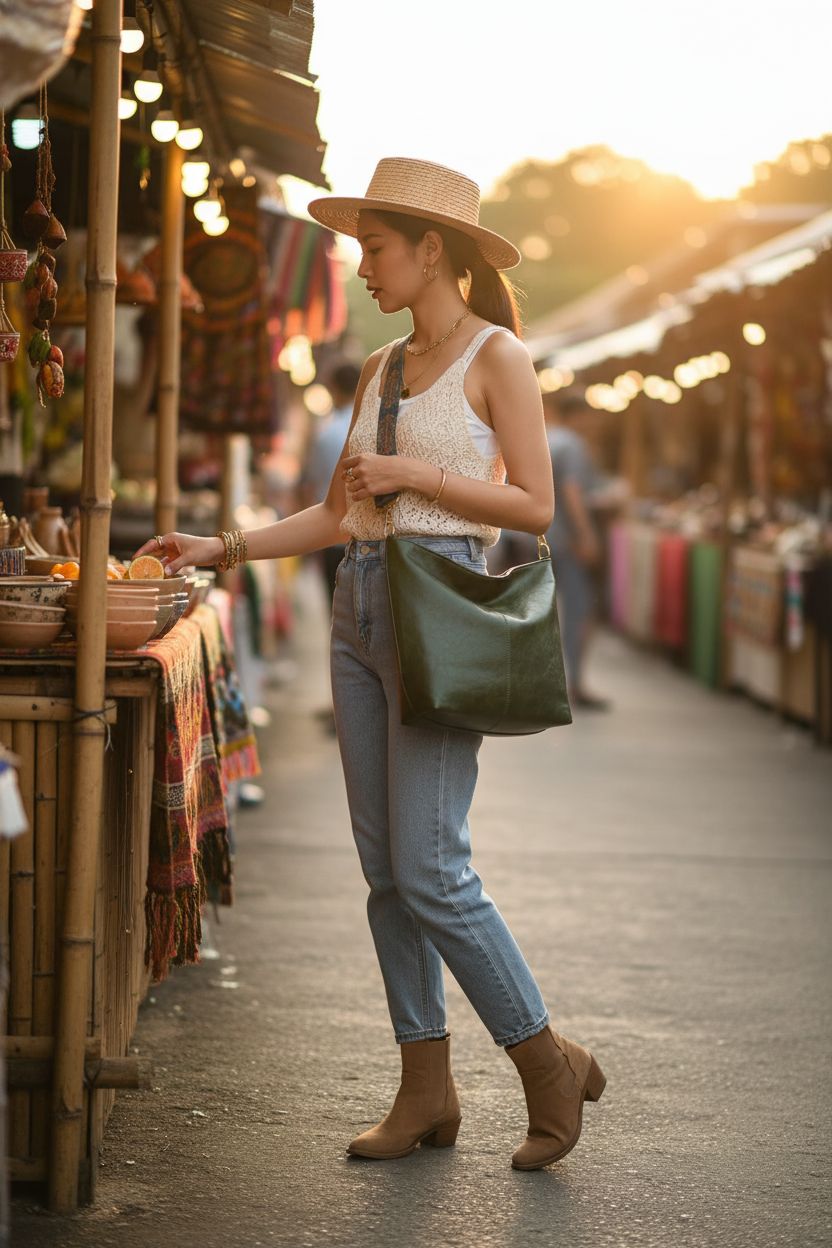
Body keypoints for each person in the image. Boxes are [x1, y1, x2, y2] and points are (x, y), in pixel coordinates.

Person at [135, 157, 606, 1171]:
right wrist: (219, 548)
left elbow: (532, 505)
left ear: (432, 249)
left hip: (438, 607)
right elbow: (340, 511)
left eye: (375, 250)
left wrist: (417, 476)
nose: (361, 271)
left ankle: (542, 1061)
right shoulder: (381, 369)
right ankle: (424, 1088)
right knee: (386, 873)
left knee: (433, 870)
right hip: (359, 603)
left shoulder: (497, 358)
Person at [544, 392, 610, 710]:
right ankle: (575, 683)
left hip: (538, 536)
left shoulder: (546, 437)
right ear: (579, 415)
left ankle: (543, 681)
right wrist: (587, 536)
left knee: (540, 609)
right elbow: (572, 492)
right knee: (579, 609)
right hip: (566, 540)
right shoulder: (572, 445)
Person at [301, 361, 362, 602]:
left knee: (337, 606)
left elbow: (312, 485)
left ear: (334, 389)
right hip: (363, 537)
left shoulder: (326, 432)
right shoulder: (368, 427)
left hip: (332, 535)